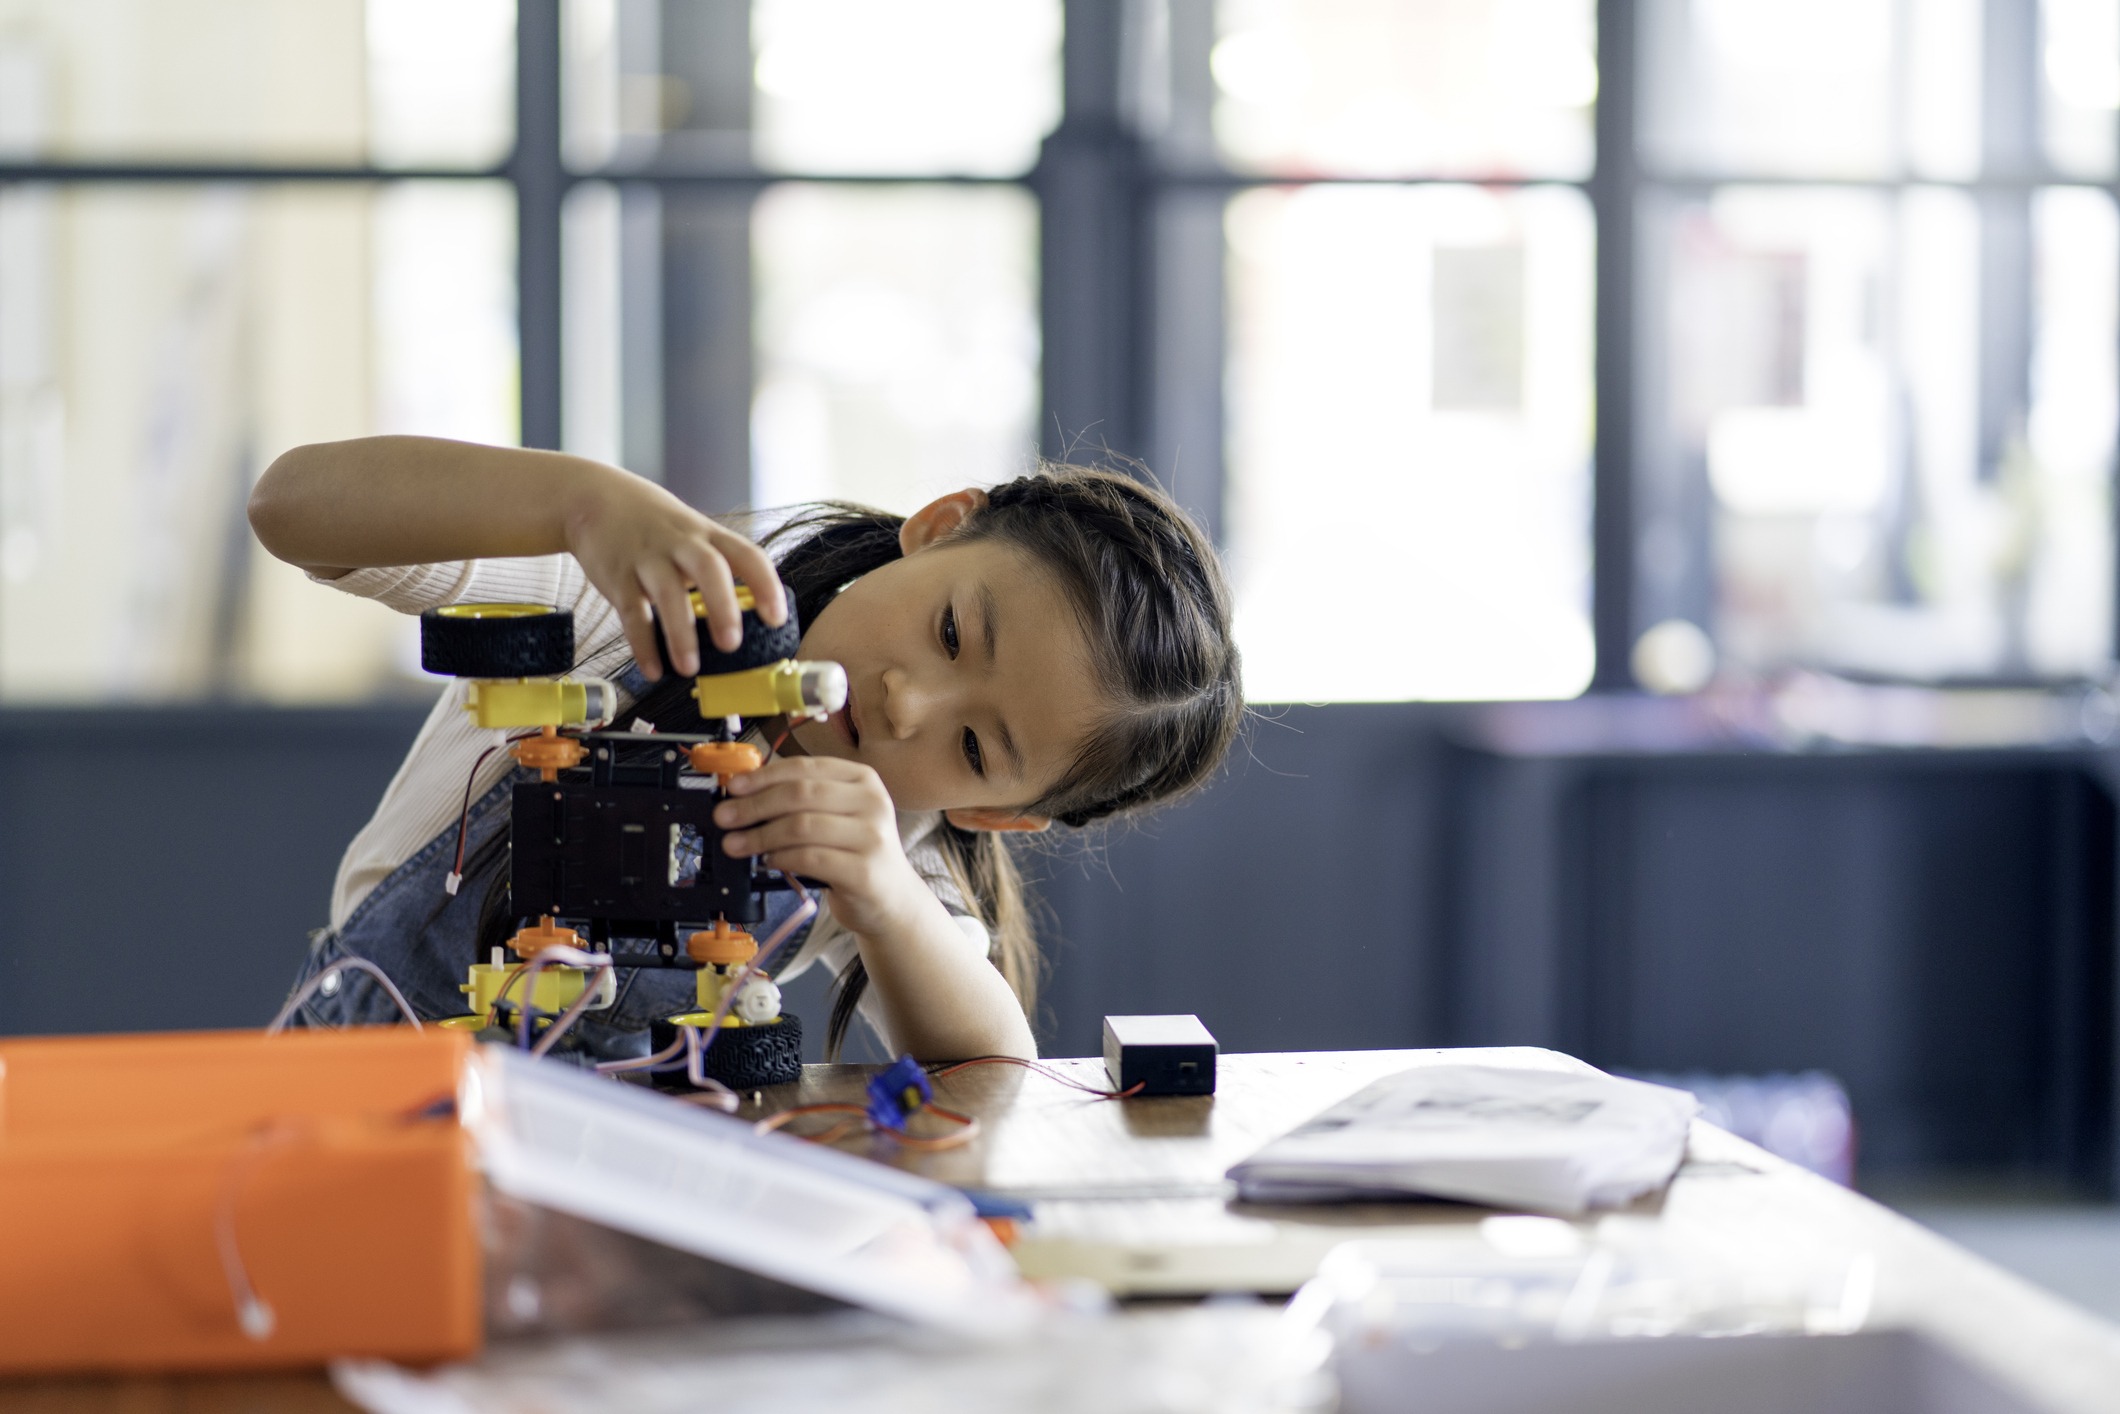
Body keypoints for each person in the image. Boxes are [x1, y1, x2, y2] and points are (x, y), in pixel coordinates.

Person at [247, 436, 1243, 1062]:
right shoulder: (632, 605)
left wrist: (886, 897)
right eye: (948, 632)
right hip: (363, 1082)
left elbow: (995, 1054)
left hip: (605, 1161)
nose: (907, 704)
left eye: (976, 746)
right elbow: (290, 508)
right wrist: (578, 504)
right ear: (939, 527)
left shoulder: (890, 834)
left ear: (995, 813)